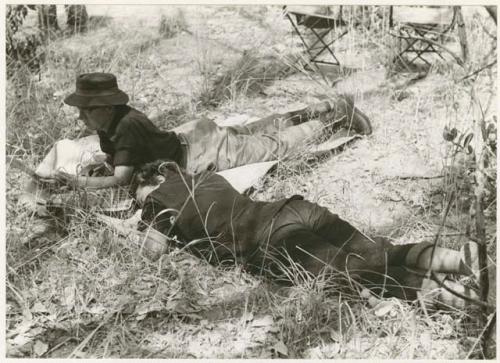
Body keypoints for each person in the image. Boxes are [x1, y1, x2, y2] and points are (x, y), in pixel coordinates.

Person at [135, 160, 482, 309]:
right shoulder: (206, 177)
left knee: (360, 269)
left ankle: (460, 299)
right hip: (295, 208)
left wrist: (144, 218)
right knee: (376, 251)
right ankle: (460, 261)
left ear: (151, 182)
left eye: (137, 195)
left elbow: (152, 252)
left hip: (271, 238)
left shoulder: (158, 199)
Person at [53, 72, 372, 189]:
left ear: (106, 107)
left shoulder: (124, 127)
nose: (80, 116)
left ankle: (334, 118)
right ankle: (320, 108)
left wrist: (78, 182)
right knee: (256, 129)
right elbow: (118, 160)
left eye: (85, 109)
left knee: (274, 146)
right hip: (194, 135)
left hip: (201, 152)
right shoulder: (114, 121)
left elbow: (121, 179)